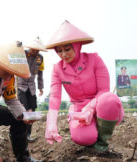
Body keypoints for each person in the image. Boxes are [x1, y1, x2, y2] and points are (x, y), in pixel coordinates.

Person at [44, 20, 124, 153]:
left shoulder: (95, 60)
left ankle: (102, 142)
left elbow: (104, 91)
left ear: (77, 46)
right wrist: (51, 124)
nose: (63, 54)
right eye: (59, 51)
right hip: (79, 108)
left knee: (109, 99)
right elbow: (55, 97)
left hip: (99, 104)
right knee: (84, 138)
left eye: (67, 49)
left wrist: (90, 108)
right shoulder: (58, 69)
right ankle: (92, 135)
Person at [17, 37, 47, 142]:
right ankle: (21, 135)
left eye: (37, 50)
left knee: (32, 110)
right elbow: (11, 57)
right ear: (29, 48)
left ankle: (28, 135)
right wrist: (17, 46)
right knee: (23, 110)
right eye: (33, 49)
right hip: (21, 86)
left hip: (31, 87)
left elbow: (40, 74)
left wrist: (40, 87)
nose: (35, 51)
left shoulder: (40, 58)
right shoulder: (22, 54)